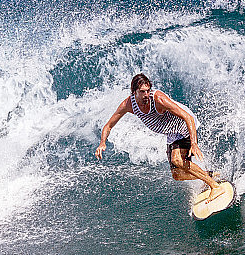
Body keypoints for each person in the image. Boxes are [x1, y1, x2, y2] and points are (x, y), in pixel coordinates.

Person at [95, 73, 227, 203]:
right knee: (177, 175)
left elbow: (188, 118)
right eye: (142, 92)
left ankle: (215, 186)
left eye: (148, 91)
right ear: (134, 91)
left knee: (177, 160)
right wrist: (102, 143)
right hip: (172, 132)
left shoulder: (158, 99)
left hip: (182, 126)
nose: (146, 95)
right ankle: (209, 174)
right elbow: (109, 125)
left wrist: (194, 143)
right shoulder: (128, 104)